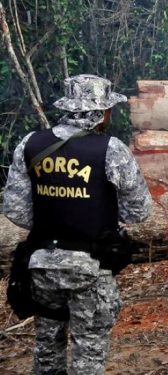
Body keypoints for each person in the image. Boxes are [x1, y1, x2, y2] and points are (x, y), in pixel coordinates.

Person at [3, 74, 153, 374]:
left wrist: (56, 221)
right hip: (91, 269)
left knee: (47, 348)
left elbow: (15, 210)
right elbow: (138, 211)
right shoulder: (111, 149)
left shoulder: (30, 144)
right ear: (101, 113)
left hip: (42, 267)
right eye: (109, 109)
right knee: (89, 352)